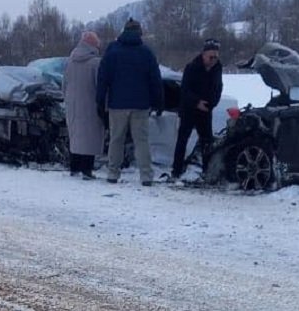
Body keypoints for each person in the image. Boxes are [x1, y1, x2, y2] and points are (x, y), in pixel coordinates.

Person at [96, 19, 163, 186]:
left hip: (117, 104)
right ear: (139, 32)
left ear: (123, 31)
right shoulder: (146, 52)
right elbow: (155, 80)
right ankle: (146, 176)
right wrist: (159, 102)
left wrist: (100, 101)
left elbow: (103, 78)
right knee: (141, 141)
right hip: (141, 105)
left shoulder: (112, 51)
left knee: (116, 139)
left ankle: (112, 174)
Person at [172, 39, 223, 180]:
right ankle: (176, 170)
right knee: (183, 139)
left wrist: (211, 104)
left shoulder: (217, 68)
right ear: (203, 55)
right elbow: (185, 90)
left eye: (216, 57)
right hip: (189, 108)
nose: (213, 60)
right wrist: (196, 102)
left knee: (207, 141)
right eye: (211, 57)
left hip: (206, 110)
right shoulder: (192, 67)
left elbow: (218, 88)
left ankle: (207, 170)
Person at [63, 31, 105, 179]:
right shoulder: (96, 63)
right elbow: (99, 86)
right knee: (90, 137)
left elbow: (64, 84)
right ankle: (87, 169)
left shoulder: (70, 61)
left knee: (75, 136)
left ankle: (74, 167)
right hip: (90, 104)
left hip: (72, 104)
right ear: (93, 45)